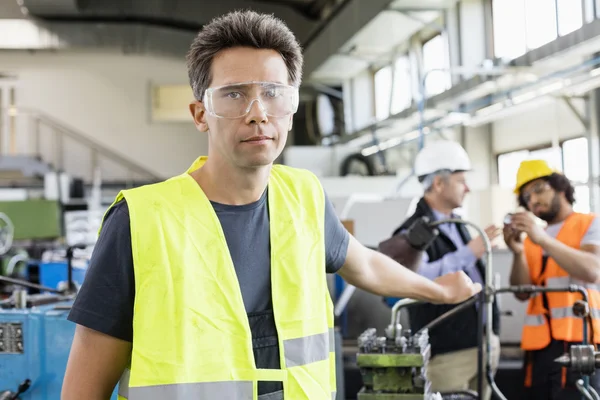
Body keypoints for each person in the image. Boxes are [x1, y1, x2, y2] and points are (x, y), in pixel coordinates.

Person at [60, 10, 481, 400]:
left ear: (292, 110)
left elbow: (365, 264)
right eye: (233, 95)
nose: (258, 113)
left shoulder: (304, 197)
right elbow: (83, 388)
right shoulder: (141, 219)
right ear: (200, 113)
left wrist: (437, 290)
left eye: (274, 94)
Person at [385, 140, 502, 399]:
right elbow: (413, 281)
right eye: (461, 181)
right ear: (438, 183)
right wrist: (469, 253)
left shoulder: (457, 223)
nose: (468, 188)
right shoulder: (411, 233)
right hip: (448, 355)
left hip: (482, 344)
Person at [505, 159, 600, 400]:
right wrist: (518, 252)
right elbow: (522, 292)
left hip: (580, 340)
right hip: (540, 346)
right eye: (527, 197)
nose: (533, 200)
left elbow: (592, 270)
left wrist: (543, 239)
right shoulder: (532, 239)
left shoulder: (590, 223)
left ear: (560, 187)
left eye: (538, 189)